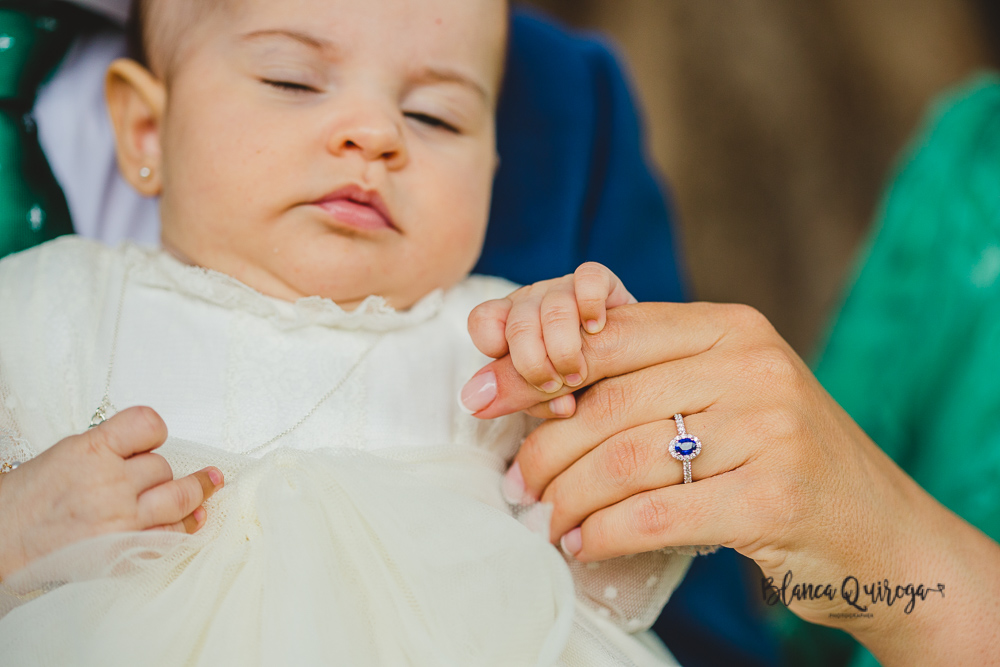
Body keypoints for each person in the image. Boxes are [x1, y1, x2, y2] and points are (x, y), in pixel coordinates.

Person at [0, 0, 696, 663]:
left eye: (435, 116)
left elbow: (607, 604)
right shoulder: (56, 308)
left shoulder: (497, 351)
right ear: (147, 129)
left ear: (491, 167)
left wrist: (607, 389)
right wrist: (19, 530)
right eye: (292, 81)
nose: (376, 133)